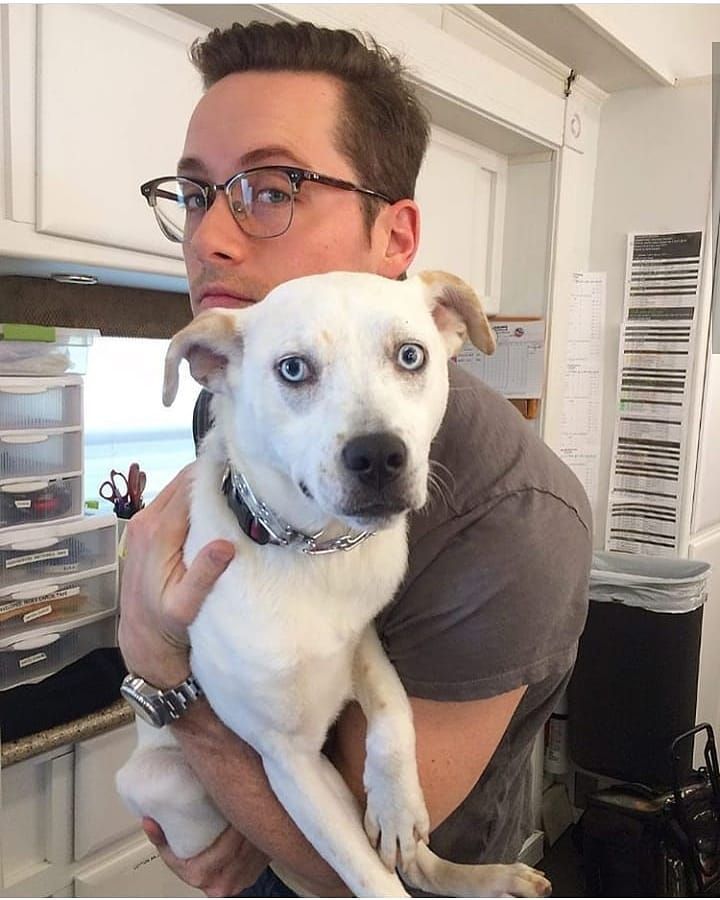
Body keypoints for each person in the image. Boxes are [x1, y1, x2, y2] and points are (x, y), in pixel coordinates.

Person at [118, 19, 592, 898]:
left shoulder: (517, 522)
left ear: (398, 240)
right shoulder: (241, 400)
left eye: (271, 188)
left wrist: (153, 657)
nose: (210, 237)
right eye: (194, 194)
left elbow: (334, 880)